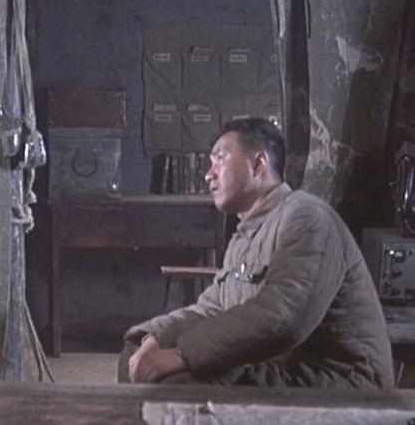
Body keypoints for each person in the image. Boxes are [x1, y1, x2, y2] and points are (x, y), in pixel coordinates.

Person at [118, 117, 394, 388]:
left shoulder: (307, 217)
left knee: (175, 380)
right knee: (135, 356)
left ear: (258, 163)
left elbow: (283, 317)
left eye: (220, 159)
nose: (208, 174)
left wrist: (182, 356)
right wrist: (154, 338)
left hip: (338, 378)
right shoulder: (247, 233)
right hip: (283, 367)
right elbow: (213, 308)